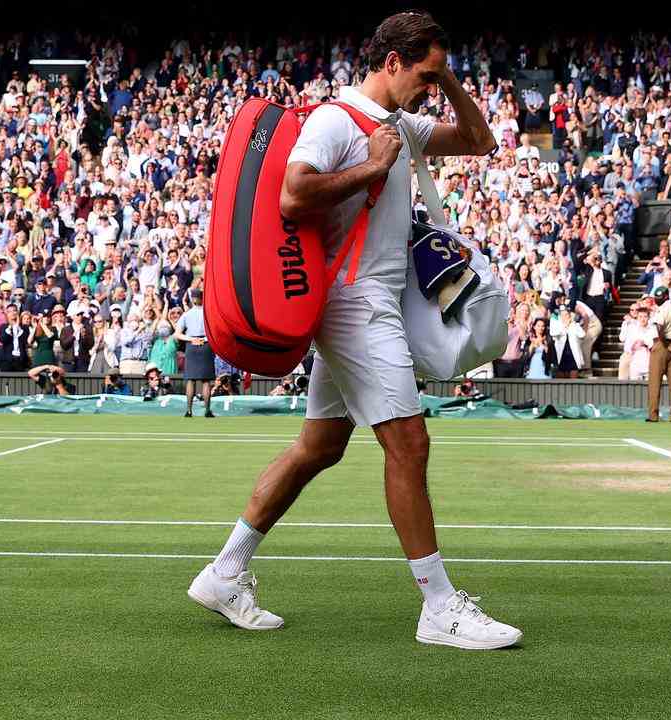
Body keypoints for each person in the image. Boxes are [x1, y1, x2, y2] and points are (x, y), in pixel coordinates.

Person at [188, 12, 522, 650]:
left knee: (320, 447)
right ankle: (439, 606)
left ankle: (225, 571)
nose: (429, 86)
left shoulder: (401, 122)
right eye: (423, 72)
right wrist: (371, 169)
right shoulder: (335, 120)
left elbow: (477, 140)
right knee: (409, 444)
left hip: (375, 302)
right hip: (355, 305)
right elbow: (293, 195)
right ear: (391, 62)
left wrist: (448, 81)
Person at [646, 286, 671, 422]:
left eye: (658, 297)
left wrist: (667, 344)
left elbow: (659, 328)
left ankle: (653, 415)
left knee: (654, 383)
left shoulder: (663, 310)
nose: (656, 300)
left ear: (665, 297)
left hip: (661, 346)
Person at [174, 288, 215, 418]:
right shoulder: (209, 313)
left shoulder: (187, 314)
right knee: (206, 381)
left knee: (191, 380)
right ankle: (207, 410)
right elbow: (215, 331)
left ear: (192, 299)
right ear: (202, 298)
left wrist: (192, 339)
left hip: (192, 345)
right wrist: (203, 339)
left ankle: (189, 410)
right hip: (205, 344)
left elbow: (177, 334)